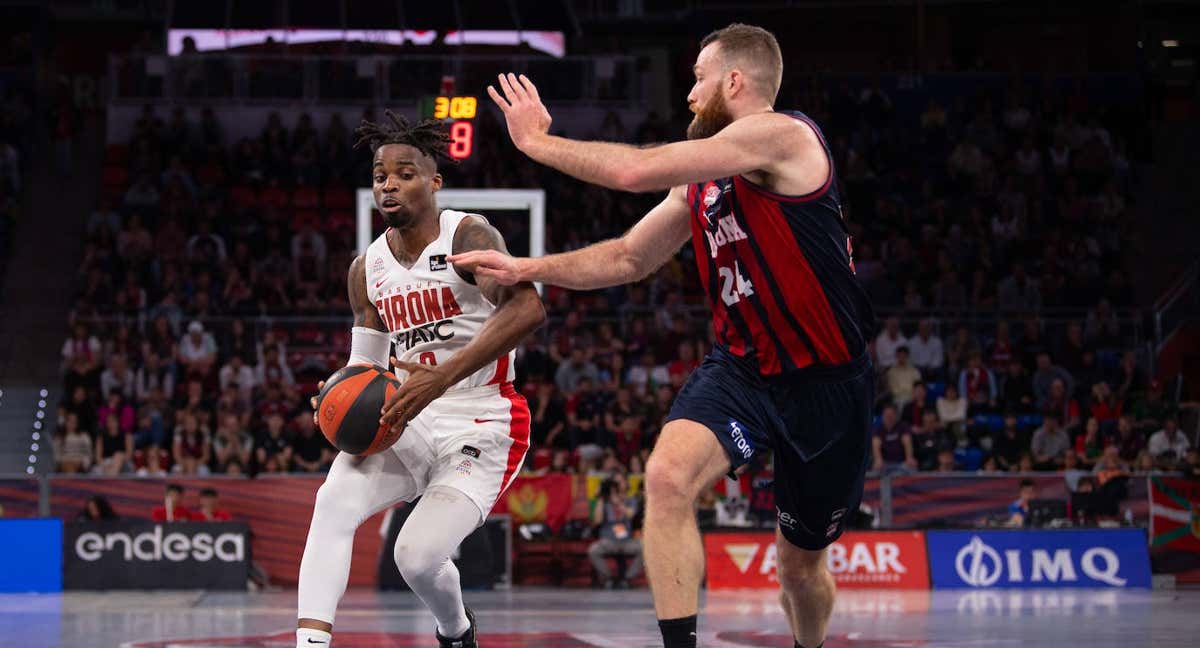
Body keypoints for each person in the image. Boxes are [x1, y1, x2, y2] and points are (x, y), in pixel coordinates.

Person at [453, 24, 875, 648]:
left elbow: (632, 171)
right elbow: (628, 258)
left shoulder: (782, 135)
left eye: (699, 79)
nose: (689, 95)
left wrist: (538, 142)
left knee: (799, 567)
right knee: (667, 478)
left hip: (825, 383)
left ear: (734, 81)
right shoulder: (702, 179)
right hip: (741, 368)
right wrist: (527, 269)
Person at [295, 113, 545, 648]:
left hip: (483, 415)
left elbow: (527, 310)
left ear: (434, 181)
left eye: (405, 173)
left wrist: (443, 377)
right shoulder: (366, 268)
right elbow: (366, 366)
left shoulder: (468, 233)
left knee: (416, 556)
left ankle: (456, 631)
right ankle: (309, 644)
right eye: (380, 175)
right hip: (408, 414)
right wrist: (337, 393)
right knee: (333, 499)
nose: (389, 183)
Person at [588, 475, 644, 589]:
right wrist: (601, 497)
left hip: (626, 540)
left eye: (620, 481)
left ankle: (627, 578)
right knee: (593, 550)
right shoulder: (605, 501)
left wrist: (618, 503)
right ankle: (609, 578)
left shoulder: (630, 500)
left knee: (646, 549)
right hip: (608, 540)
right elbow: (597, 520)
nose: (618, 484)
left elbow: (631, 514)